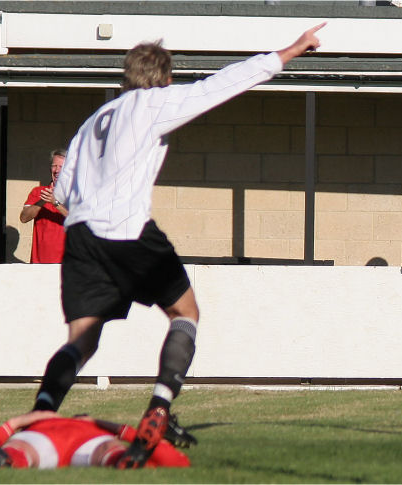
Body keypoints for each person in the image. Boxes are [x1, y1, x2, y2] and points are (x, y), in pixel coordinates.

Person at [29, 24, 325, 469]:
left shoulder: (93, 122)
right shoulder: (156, 103)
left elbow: (66, 193)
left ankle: (38, 419)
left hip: (82, 237)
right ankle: (160, 408)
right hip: (127, 230)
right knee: (186, 313)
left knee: (82, 339)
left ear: (126, 77)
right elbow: (224, 83)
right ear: (164, 79)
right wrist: (293, 49)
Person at [0, 410, 189, 468]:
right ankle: (125, 459)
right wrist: (21, 421)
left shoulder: (95, 425)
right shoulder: (96, 425)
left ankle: (8, 460)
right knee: (108, 448)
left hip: (66, 437)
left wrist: (16, 423)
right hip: (48, 434)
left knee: (23, 448)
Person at [20, 149, 68, 263]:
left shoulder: (75, 194)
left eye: (61, 167)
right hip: (39, 262)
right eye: (54, 166)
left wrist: (55, 202)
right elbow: (23, 218)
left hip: (66, 262)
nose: (57, 170)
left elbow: (79, 220)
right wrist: (42, 201)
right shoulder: (38, 192)